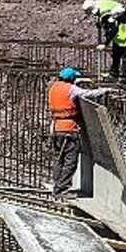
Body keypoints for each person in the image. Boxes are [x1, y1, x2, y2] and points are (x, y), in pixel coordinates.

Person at [48, 66, 110, 196]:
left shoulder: (53, 88)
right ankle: (61, 188)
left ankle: (57, 185)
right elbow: (87, 94)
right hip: (69, 129)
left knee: (60, 159)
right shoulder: (70, 89)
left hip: (56, 128)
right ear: (71, 79)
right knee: (70, 161)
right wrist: (104, 90)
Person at [82, 0, 126, 83]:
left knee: (125, 55)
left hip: (124, 33)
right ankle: (114, 73)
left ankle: (125, 77)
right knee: (116, 54)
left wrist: (105, 44)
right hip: (118, 35)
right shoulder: (103, 6)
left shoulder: (105, 12)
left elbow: (114, 28)